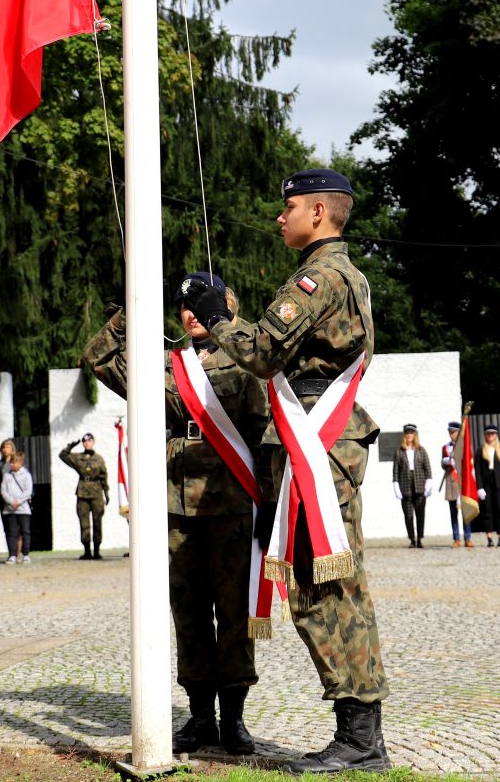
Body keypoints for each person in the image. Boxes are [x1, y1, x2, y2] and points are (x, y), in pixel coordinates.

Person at [180, 167, 389, 774]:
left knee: (325, 588)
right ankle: (360, 734)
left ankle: (359, 738)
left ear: (319, 213)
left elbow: (262, 353)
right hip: (317, 435)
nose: (280, 216)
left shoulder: (317, 277)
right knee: (333, 585)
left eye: (289, 206)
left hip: (314, 437)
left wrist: (217, 315)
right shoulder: (343, 273)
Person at [82, 272, 270, 756]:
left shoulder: (249, 360)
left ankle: (234, 718)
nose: (189, 312)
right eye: (181, 304)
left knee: (232, 613)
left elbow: (264, 437)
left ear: (225, 303)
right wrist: (133, 304)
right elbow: (99, 358)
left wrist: (268, 503)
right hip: (173, 506)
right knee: (187, 613)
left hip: (230, 502)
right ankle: (200, 715)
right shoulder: (165, 363)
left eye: (200, 302)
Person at [59, 433, 110, 560]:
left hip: (96, 492)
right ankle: (87, 551)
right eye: (84, 441)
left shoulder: (99, 459)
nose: (87, 443)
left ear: (93, 442)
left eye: (89, 441)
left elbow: (104, 476)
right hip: (82, 492)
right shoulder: (78, 457)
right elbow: (63, 456)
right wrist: (71, 446)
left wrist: (106, 492)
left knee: (97, 522)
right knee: (84, 523)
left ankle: (97, 551)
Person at [392, 424, 433, 548]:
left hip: (420, 486)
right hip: (406, 487)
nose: (409, 435)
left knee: (420, 514)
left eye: (411, 433)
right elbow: (395, 471)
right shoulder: (399, 451)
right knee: (408, 515)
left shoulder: (421, 450)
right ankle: (412, 539)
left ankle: (419, 538)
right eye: (407, 433)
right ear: (404, 435)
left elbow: (428, 468)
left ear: (415, 435)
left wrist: (429, 483)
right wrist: (395, 485)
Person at [474, 426, 500, 547]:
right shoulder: (480, 450)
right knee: (487, 510)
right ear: (485, 435)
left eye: (493, 434)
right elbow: (477, 470)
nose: (491, 436)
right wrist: (479, 487)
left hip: (498, 483)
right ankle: (489, 537)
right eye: (488, 434)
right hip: (486, 483)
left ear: (496, 436)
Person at [439, 422, 473, 549]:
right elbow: (443, 465)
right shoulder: (446, 448)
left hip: (463, 481)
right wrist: (445, 461)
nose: (451, 435)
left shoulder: (465, 446)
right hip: (451, 481)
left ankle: (468, 538)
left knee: (465, 512)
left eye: (453, 432)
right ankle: (456, 539)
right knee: (453, 512)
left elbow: (470, 462)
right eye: (450, 432)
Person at [0, 449, 33, 564]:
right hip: (10, 509)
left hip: (23, 509)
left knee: (25, 531)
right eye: (11, 463)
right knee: (12, 532)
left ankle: (26, 554)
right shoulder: (6, 476)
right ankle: (12, 555)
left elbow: (28, 491)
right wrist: (10, 501)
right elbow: (3, 491)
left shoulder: (27, 475)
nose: (12, 465)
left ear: (20, 463)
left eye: (14, 462)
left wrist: (18, 502)